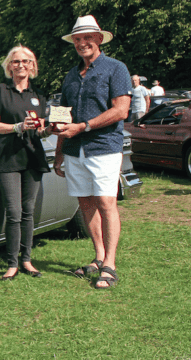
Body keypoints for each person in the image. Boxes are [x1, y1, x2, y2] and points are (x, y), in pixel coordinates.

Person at [53, 15, 131, 289]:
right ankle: (98, 256)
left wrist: (83, 127)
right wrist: (59, 152)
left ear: (99, 39)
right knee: (85, 204)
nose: (82, 43)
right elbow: (62, 117)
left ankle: (110, 264)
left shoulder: (115, 68)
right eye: (77, 39)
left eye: (87, 38)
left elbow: (121, 110)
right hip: (74, 150)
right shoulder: (71, 75)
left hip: (103, 148)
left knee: (106, 203)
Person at [0, 45, 52, 281]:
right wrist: (17, 127)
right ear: (9, 66)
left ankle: (27, 259)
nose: (21, 65)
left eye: (26, 61)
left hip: (33, 158)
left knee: (28, 212)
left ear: (32, 65)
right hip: (8, 158)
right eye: (16, 61)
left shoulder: (38, 95)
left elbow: (41, 131)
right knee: (13, 213)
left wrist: (51, 129)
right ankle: (12, 263)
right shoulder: (0, 91)